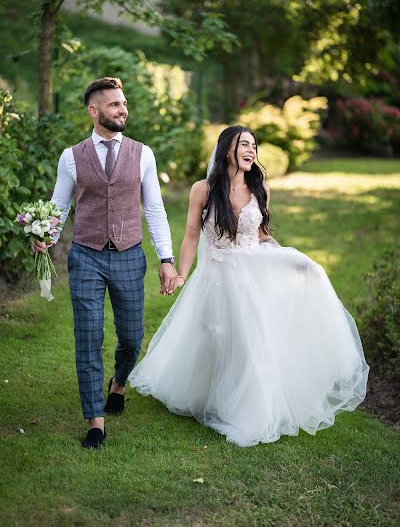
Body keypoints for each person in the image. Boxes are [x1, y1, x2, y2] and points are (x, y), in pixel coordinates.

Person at [128, 125, 369, 447]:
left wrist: (290, 259)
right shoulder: (203, 189)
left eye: (254, 146)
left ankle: (248, 409)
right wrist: (182, 273)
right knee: (215, 338)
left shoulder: (260, 189)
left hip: (253, 275)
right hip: (215, 276)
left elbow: (260, 236)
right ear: (227, 149)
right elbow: (191, 234)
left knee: (250, 341)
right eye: (245, 144)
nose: (251, 151)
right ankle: (210, 396)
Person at [32, 77, 177, 449]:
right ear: (94, 111)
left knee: (130, 338)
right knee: (88, 338)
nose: (122, 109)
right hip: (86, 258)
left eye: (124, 103)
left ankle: (119, 383)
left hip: (129, 253)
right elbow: (60, 206)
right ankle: (96, 421)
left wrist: (166, 258)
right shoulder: (71, 157)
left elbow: (155, 209)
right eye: (114, 104)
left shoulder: (142, 154)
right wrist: (44, 235)